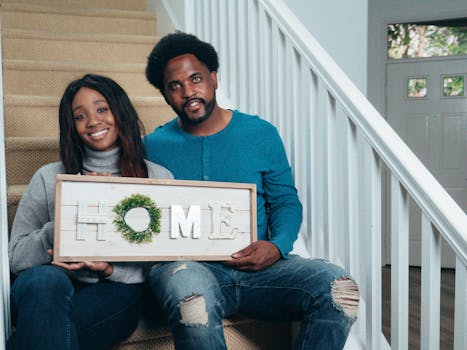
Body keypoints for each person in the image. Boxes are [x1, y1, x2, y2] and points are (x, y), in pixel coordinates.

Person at [143, 31, 359, 350]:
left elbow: (285, 201)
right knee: (193, 301)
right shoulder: (152, 146)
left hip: (262, 270)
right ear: (164, 94)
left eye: (196, 78)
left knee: (340, 289)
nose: (188, 92)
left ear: (214, 79)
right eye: (174, 86)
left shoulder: (260, 133)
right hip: (190, 270)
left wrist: (277, 245)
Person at [7, 74, 173, 350]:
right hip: (49, 282)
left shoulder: (157, 177)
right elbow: (15, 257)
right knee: (42, 280)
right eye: (80, 116)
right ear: (71, 125)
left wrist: (109, 268)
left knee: (46, 330)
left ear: (120, 112)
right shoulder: (48, 177)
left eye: (101, 109)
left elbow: (166, 261)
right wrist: (58, 231)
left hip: (115, 289)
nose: (93, 121)